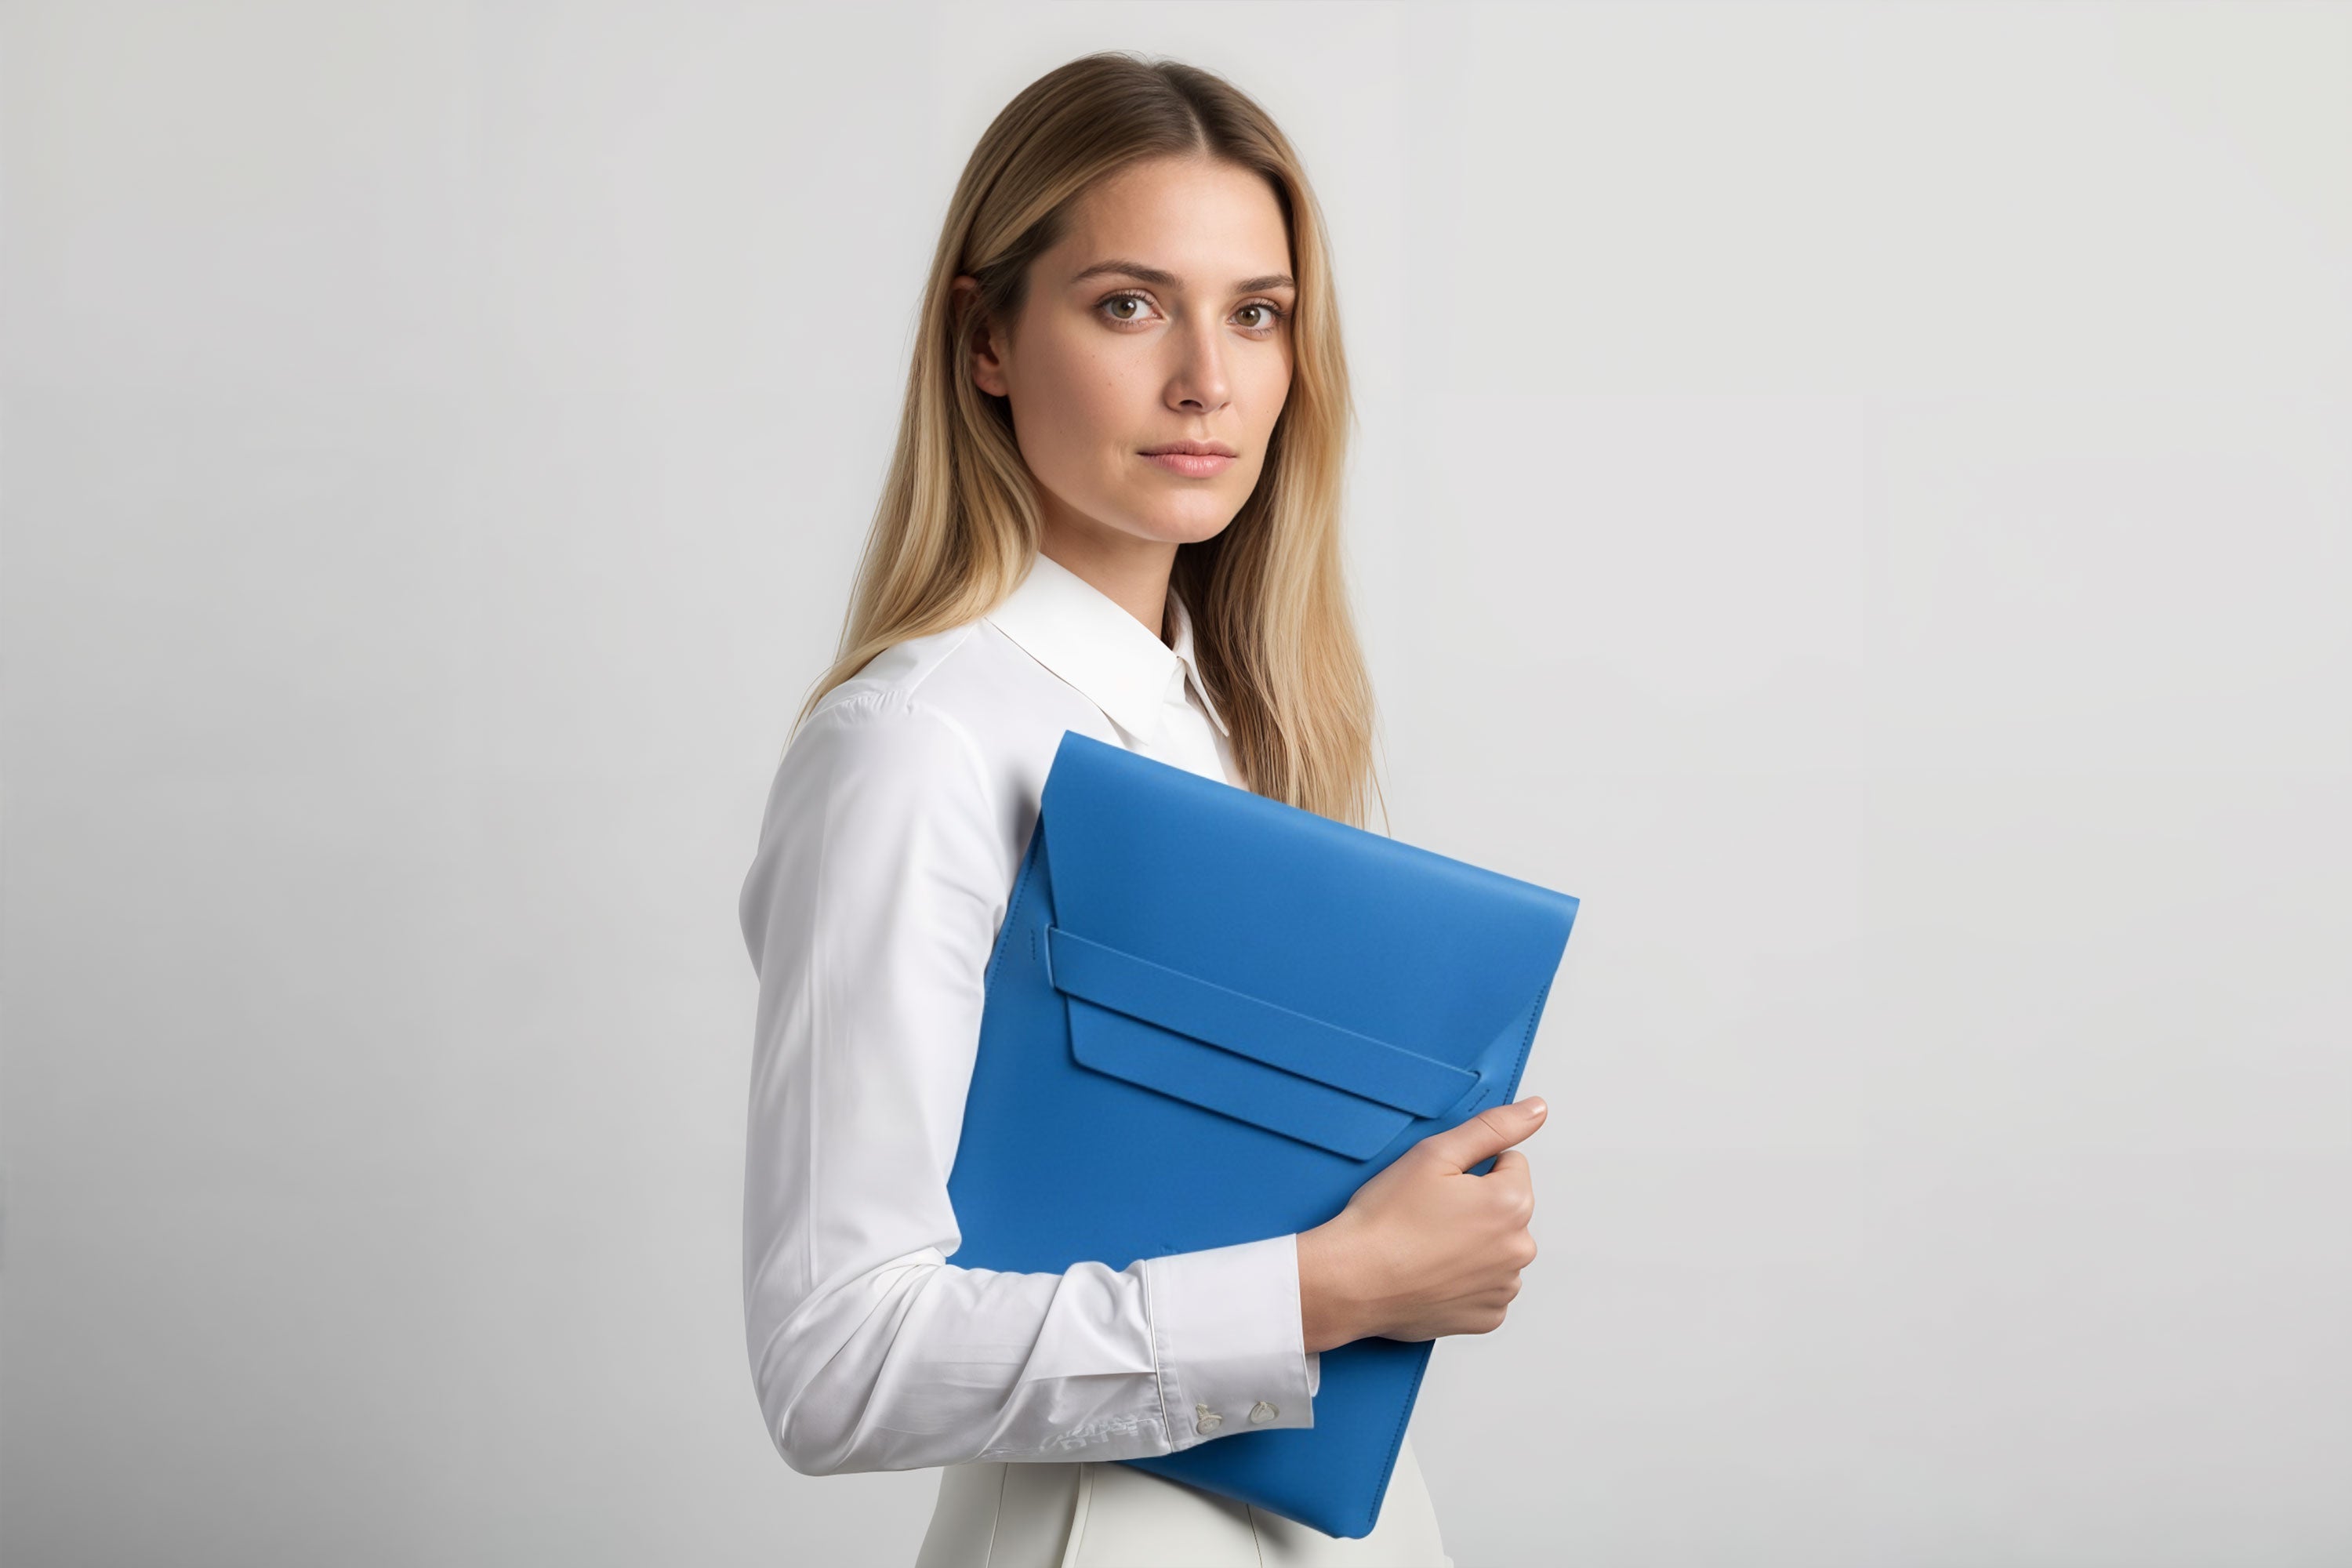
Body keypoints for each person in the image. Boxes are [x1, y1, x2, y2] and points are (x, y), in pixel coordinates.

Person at [737, 51, 1546, 1568]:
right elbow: (833, 1360)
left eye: (1257, 312)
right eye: (1129, 304)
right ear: (984, 337)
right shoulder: (916, 745)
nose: (1208, 381)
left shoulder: (1231, 728)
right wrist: (1332, 1289)